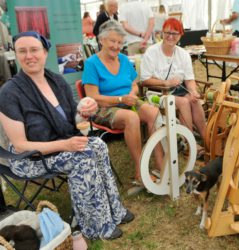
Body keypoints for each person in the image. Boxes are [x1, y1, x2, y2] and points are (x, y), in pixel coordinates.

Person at [0, 31, 134, 240]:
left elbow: (75, 117)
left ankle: (114, 210)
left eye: (34, 50)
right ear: (16, 55)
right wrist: (66, 145)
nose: (29, 56)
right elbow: (20, 145)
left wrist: (84, 109)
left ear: (45, 53)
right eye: (22, 51)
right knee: (82, 158)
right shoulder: (10, 92)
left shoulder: (56, 81)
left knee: (97, 145)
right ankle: (96, 225)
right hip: (30, 157)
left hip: (59, 143)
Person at [82, 20, 163, 189]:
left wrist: (132, 94)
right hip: (103, 108)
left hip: (128, 101)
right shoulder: (91, 64)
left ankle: (160, 164)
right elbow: (93, 97)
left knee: (153, 112)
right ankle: (140, 173)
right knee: (131, 117)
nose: (117, 46)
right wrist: (121, 99)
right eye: (113, 41)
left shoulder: (124, 60)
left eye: (120, 42)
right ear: (101, 40)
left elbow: (134, 83)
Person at [140, 18, 206, 154]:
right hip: (156, 94)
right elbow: (145, 80)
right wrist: (165, 83)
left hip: (177, 91)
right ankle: (190, 143)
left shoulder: (183, 54)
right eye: (167, 32)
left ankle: (207, 140)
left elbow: (189, 79)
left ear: (181, 35)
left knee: (194, 101)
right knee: (183, 102)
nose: (170, 36)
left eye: (175, 33)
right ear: (161, 33)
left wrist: (193, 91)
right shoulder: (151, 52)